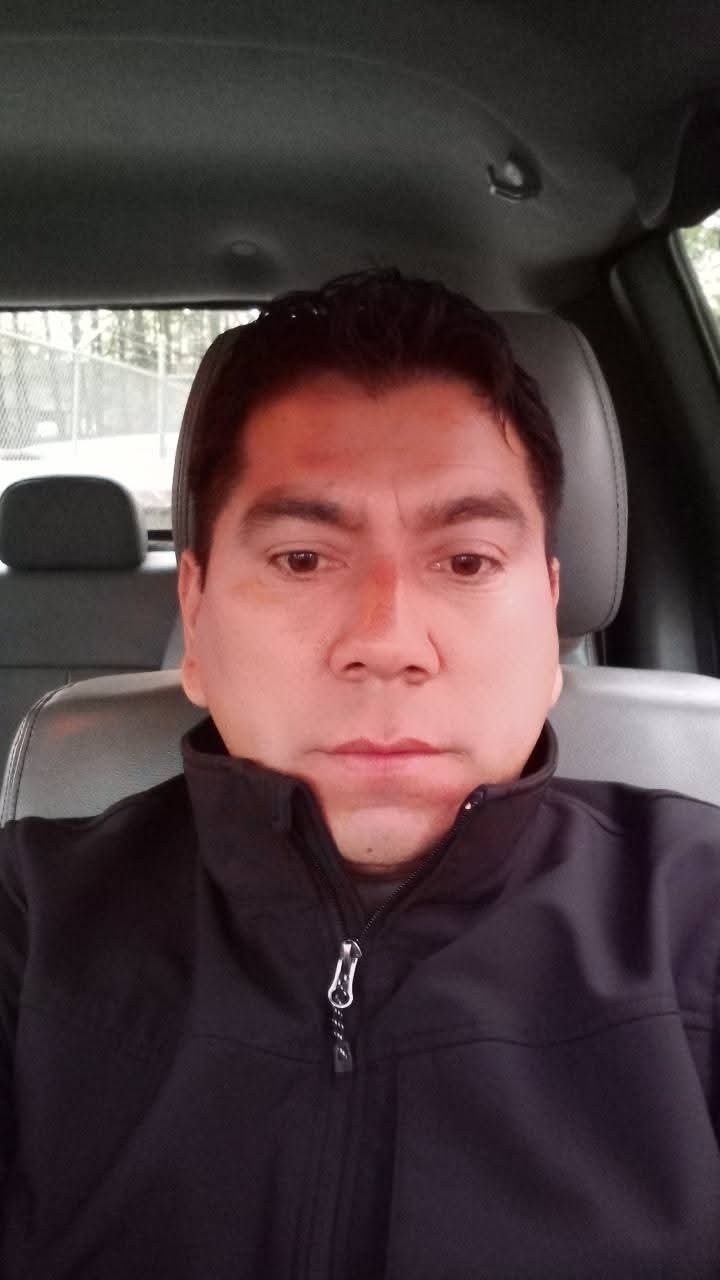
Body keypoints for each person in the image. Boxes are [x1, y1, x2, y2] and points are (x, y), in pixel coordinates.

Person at [0, 270, 719, 1278]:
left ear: (549, 613)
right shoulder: (31, 920)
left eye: (467, 561)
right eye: (303, 558)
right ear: (195, 618)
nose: (387, 642)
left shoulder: (697, 913)